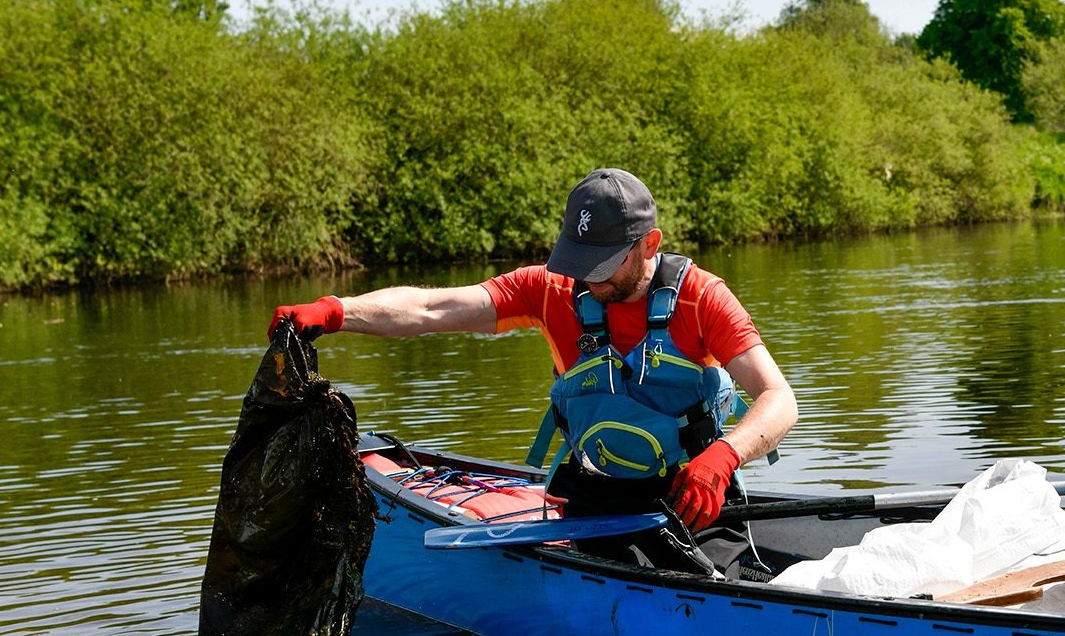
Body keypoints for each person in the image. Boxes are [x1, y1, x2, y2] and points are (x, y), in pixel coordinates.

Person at [271, 168, 798, 578]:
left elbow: (778, 397)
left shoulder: (702, 298)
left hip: (694, 498)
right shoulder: (547, 290)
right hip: (595, 499)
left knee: (724, 583)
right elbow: (432, 309)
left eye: (605, 263)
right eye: (580, 260)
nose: (588, 280)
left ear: (650, 245)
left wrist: (724, 456)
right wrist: (336, 310)